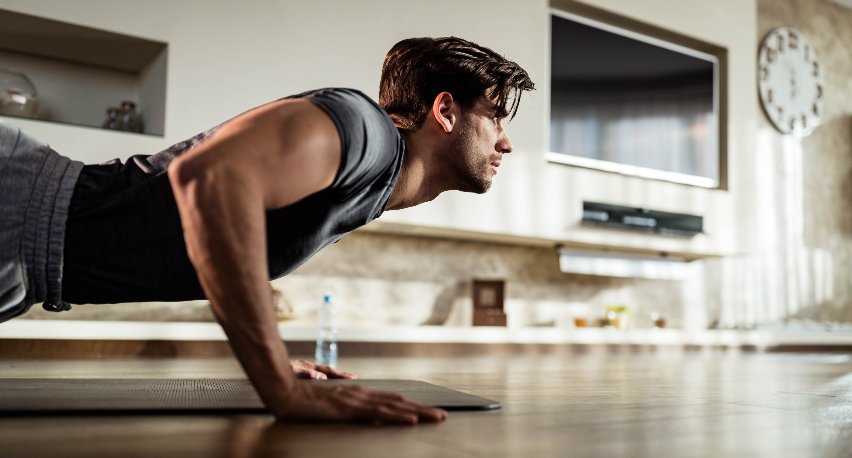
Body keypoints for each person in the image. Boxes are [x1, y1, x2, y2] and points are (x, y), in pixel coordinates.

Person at [0, 36, 534, 424]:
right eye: (495, 117)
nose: (506, 143)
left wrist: (273, 360)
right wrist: (278, 386)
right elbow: (207, 179)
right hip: (16, 204)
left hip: (25, 262)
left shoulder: (370, 182)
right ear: (444, 111)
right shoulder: (365, 130)